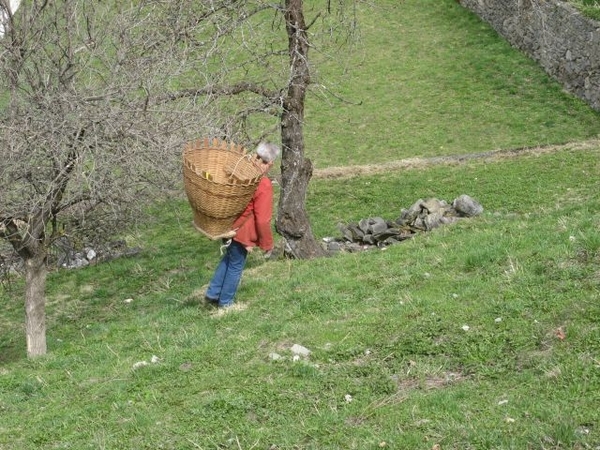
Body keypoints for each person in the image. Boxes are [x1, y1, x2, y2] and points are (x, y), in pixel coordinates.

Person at [204, 142, 280, 312]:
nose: (258, 162)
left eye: (262, 160)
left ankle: (213, 294)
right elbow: (262, 219)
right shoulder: (263, 183)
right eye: (259, 158)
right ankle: (226, 303)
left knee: (229, 258)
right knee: (236, 265)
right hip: (242, 231)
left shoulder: (239, 174)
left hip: (227, 224)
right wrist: (267, 243)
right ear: (271, 164)